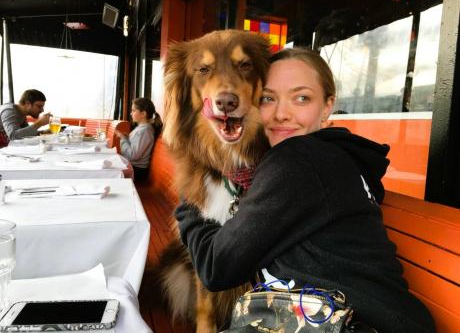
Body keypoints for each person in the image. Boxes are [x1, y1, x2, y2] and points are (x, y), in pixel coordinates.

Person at [174, 48, 435, 333]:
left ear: (327, 106)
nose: (282, 114)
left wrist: (190, 201)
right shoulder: (334, 157)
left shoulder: (298, 159)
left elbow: (216, 267)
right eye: (268, 98)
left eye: (301, 98)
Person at [115, 97, 163, 182]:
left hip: (137, 171)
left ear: (143, 114)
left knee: (109, 172)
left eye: (133, 110)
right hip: (134, 167)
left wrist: (123, 139)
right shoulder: (142, 128)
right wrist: (127, 138)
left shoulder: (145, 131)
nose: (131, 113)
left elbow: (133, 155)